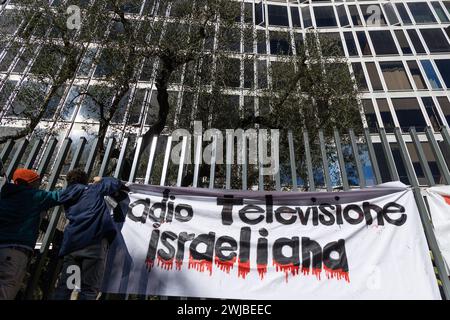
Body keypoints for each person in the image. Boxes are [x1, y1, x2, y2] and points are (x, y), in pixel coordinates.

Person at [52, 169, 123, 300]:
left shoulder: (66, 195)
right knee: (89, 290)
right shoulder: (93, 189)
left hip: (72, 247)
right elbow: (115, 182)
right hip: (93, 246)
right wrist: (100, 179)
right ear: (85, 180)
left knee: (66, 287)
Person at [0, 168, 62, 300]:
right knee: (6, 289)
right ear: (31, 183)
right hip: (14, 252)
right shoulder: (34, 196)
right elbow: (59, 196)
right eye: (37, 183)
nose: (39, 185)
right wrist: (84, 188)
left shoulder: (5, 197)